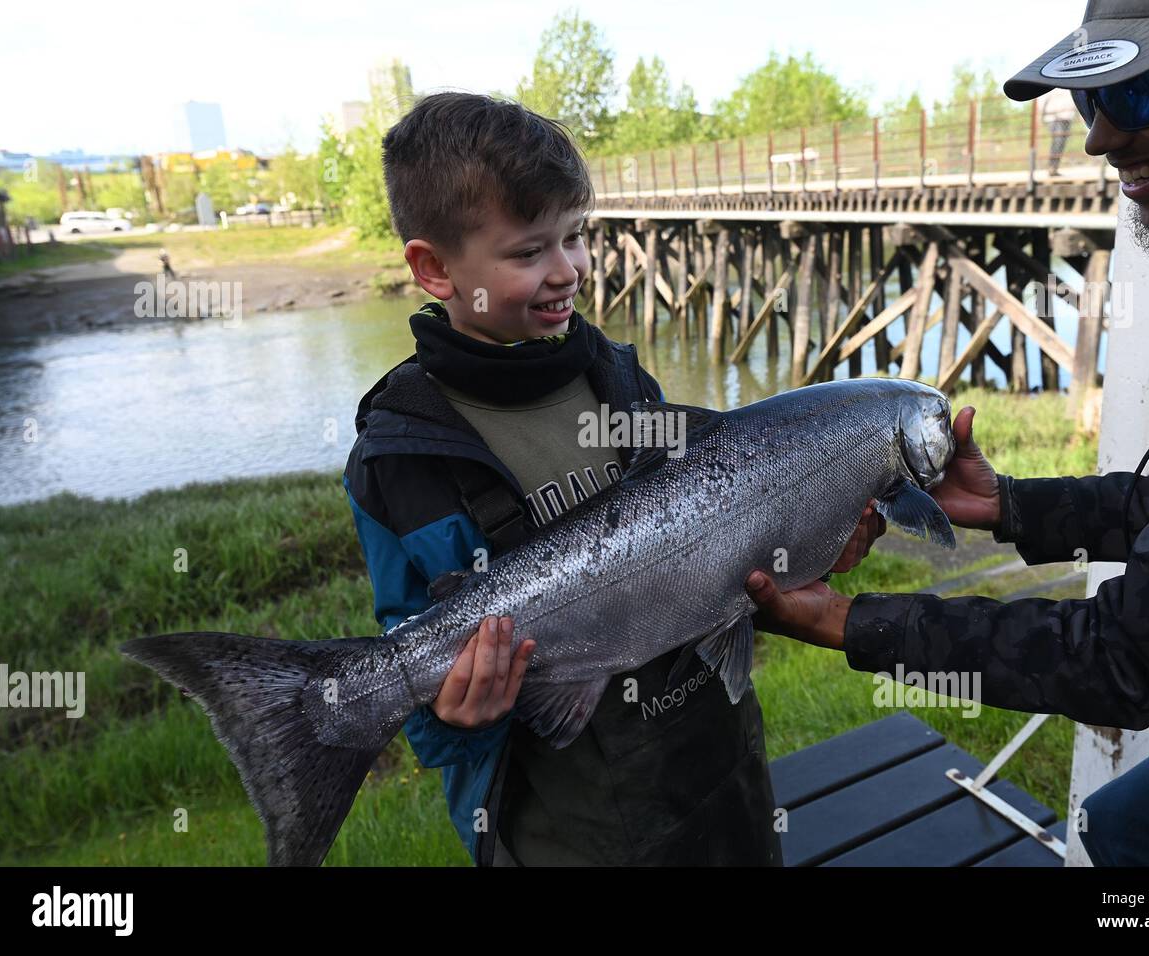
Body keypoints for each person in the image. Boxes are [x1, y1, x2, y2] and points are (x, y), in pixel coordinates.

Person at [746, 0, 1149, 867]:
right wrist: (1015, 506)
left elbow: (1144, 654)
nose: (1101, 140)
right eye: (1088, 101)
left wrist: (855, 624)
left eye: (1139, 90)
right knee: (1123, 831)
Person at [343, 92, 878, 866]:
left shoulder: (623, 383)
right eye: (529, 253)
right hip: (565, 832)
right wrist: (459, 719)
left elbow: (718, 573)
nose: (570, 271)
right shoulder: (401, 462)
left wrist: (811, 544)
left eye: (577, 237)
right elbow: (417, 683)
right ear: (433, 268)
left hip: (723, 785)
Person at [1040, 86, 1076, 175]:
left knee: (1061, 143)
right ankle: (1052, 167)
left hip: (1066, 117)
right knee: (1058, 141)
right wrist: (1040, 116)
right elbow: (1042, 101)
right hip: (1054, 117)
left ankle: (1054, 167)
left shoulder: (1070, 85)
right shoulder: (1051, 83)